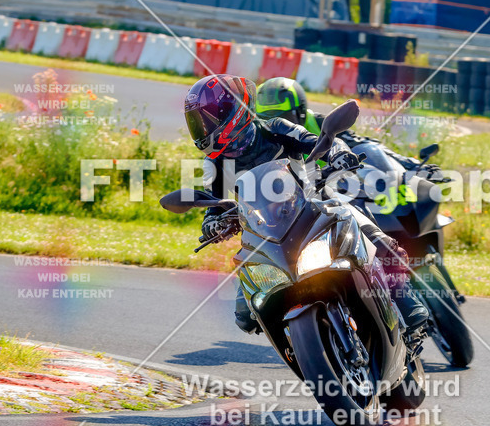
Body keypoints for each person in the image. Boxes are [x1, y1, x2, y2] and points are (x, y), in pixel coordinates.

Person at [183, 74, 430, 342]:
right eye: (199, 122)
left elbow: (319, 141)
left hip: (313, 204)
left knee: (370, 232)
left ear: (234, 109)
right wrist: (212, 224)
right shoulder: (215, 163)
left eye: (209, 118)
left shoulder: (274, 128)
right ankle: (296, 345)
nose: (204, 127)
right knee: (246, 313)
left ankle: (407, 303)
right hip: (264, 230)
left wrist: (338, 154)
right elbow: (213, 204)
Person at [256, 77, 435, 173]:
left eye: (282, 116)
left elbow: (364, 144)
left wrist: (411, 165)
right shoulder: (258, 140)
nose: (279, 125)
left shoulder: (320, 122)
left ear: (300, 111)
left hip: (341, 190)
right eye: (267, 119)